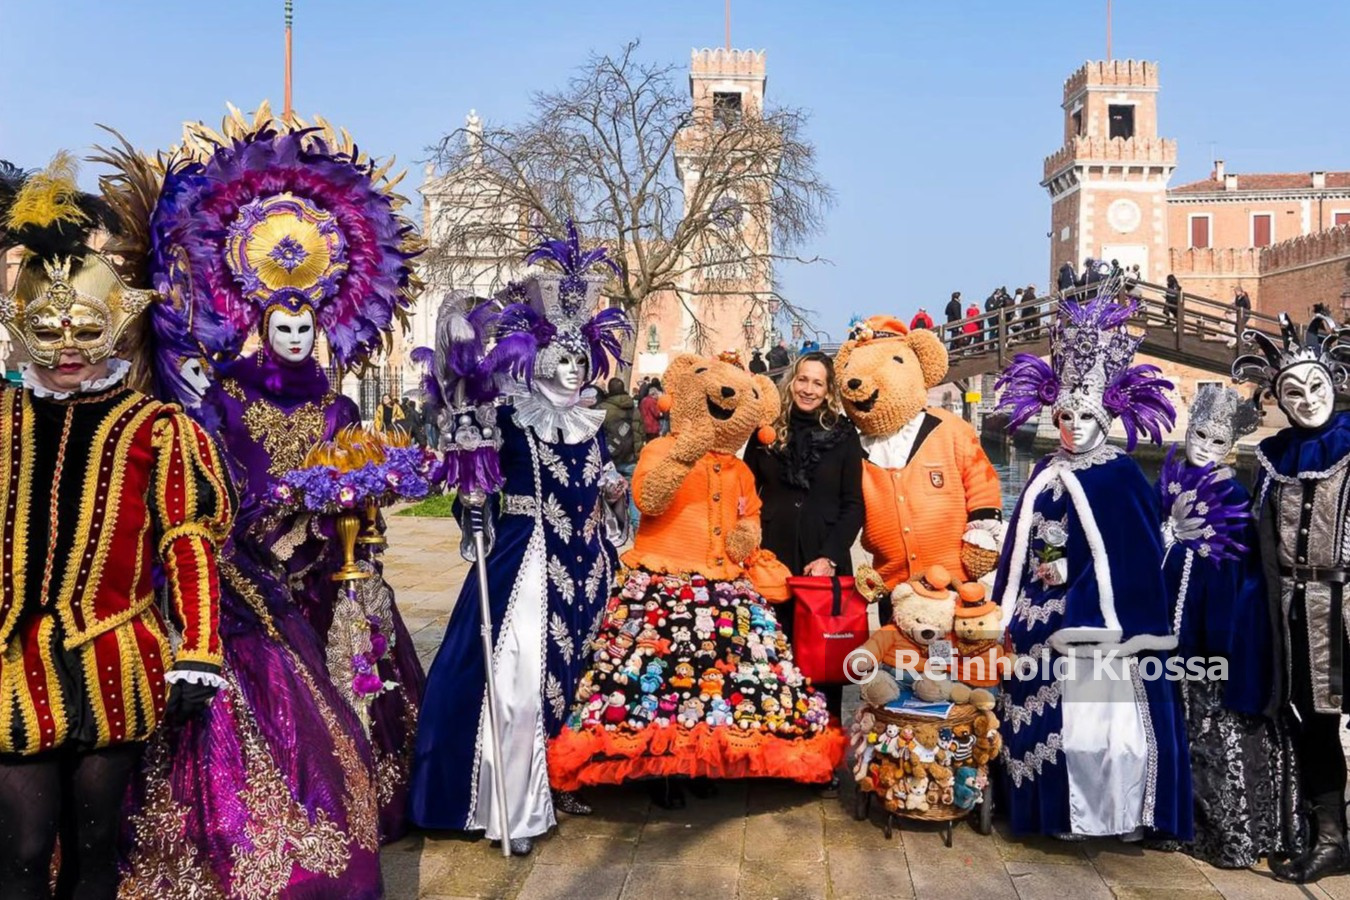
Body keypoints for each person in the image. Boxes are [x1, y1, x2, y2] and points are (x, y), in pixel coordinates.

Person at [137, 113, 428, 855]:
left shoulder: (336, 402)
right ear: (259, 325)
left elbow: (346, 461)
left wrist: (354, 504)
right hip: (248, 564)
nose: (295, 340)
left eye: (306, 329)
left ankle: (373, 791)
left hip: (328, 561)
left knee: (360, 655)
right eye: (281, 328)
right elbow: (213, 477)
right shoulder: (226, 397)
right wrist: (267, 520)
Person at [0, 155, 232, 900]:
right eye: (49, 327)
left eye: (85, 327)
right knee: (25, 847)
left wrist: (197, 647)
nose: (68, 345)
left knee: (98, 848)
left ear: (114, 328)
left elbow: (188, 541)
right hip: (10, 664)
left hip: (114, 661)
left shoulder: (155, 429)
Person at [411, 227, 632, 856]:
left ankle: (566, 777)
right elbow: (472, 479)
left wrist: (613, 495)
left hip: (588, 561)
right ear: (535, 361)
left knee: (582, 672)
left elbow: (600, 481)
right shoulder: (510, 415)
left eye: (578, 359)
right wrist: (472, 503)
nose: (570, 369)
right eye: (559, 358)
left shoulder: (589, 422)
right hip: (524, 561)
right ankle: (513, 801)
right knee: (514, 678)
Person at [547, 353, 844, 810]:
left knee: (711, 680)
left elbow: (750, 515)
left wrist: (746, 537)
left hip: (720, 582)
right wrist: (685, 452)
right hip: (662, 580)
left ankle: (700, 761)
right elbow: (648, 499)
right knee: (658, 680)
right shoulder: (660, 450)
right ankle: (659, 770)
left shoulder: (741, 468)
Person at [992, 292, 1192, 842]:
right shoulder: (1043, 471)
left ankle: (1109, 815)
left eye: (1085, 416)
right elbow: (1019, 547)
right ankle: (1047, 812)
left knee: (1103, 731)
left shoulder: (1120, 476)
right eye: (1065, 416)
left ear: (1106, 418)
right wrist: (1009, 601)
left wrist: (1081, 599)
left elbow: (1130, 560)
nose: (1073, 427)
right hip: (1036, 609)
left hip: (1094, 627)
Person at [1233, 315, 1350, 882]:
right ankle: (1328, 836)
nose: (1307, 402)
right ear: (1278, 399)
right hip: (1291, 613)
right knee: (1313, 720)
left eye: (1316, 390)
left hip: (1346, 606)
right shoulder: (1274, 458)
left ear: (1335, 386)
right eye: (1293, 393)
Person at [1156, 386, 1291, 868]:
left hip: (1209, 636)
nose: (1202, 447)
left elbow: (1236, 573)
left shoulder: (1233, 495)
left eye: (1216, 441)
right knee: (1175, 728)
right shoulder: (1169, 481)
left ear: (1231, 446)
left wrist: (1221, 637)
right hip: (1166, 632)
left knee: (1214, 733)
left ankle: (1225, 833)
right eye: (1198, 435)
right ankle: (1174, 822)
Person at [744, 351, 864, 788]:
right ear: (791, 381)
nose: (809, 389)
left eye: (818, 382)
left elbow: (854, 506)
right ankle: (775, 748)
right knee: (776, 656)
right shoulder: (766, 434)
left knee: (823, 664)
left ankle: (823, 755)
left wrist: (830, 555)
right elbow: (746, 488)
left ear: (829, 389)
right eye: (803, 380)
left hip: (823, 562)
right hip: (773, 560)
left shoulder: (844, 437)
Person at [598, 376, 645, 533]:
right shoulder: (634, 408)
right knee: (633, 492)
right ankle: (636, 524)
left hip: (610, 459)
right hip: (631, 457)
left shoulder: (602, 409)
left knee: (610, 493)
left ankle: (613, 527)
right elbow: (640, 433)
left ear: (609, 390)